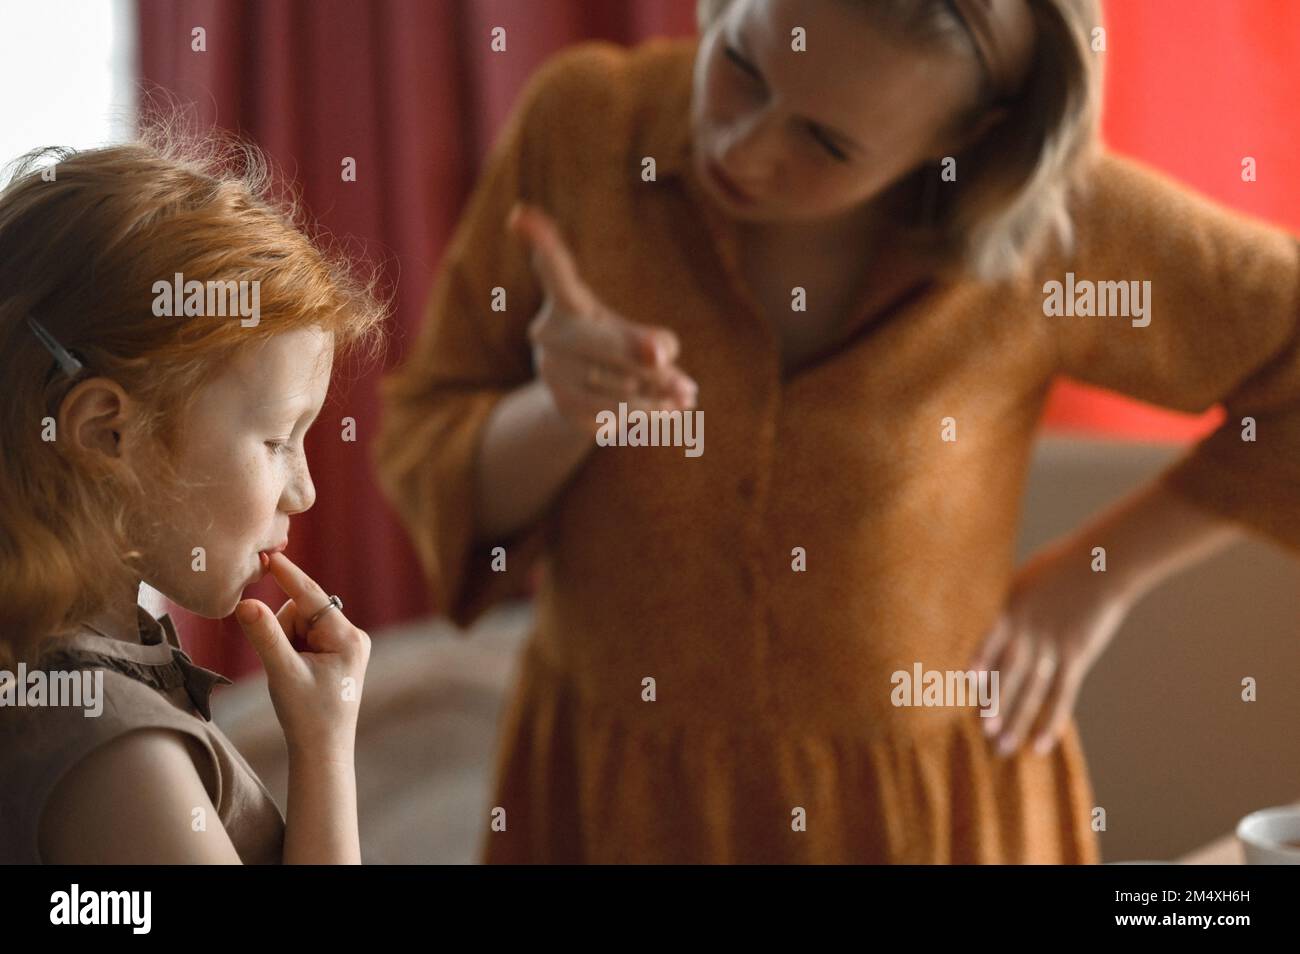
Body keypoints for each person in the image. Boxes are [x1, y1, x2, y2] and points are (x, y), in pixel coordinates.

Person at [375, 0, 1300, 862]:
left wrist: (1097, 582)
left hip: (930, 821)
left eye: (824, 140)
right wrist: (563, 410)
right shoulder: (581, 128)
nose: (739, 142)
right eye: (740, 60)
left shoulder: (1056, 227)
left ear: (967, 140)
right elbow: (428, 447)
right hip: (607, 803)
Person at [0, 130, 384, 863]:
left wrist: (323, 743)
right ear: (108, 433)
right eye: (277, 440)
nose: (302, 492)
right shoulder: (110, 750)